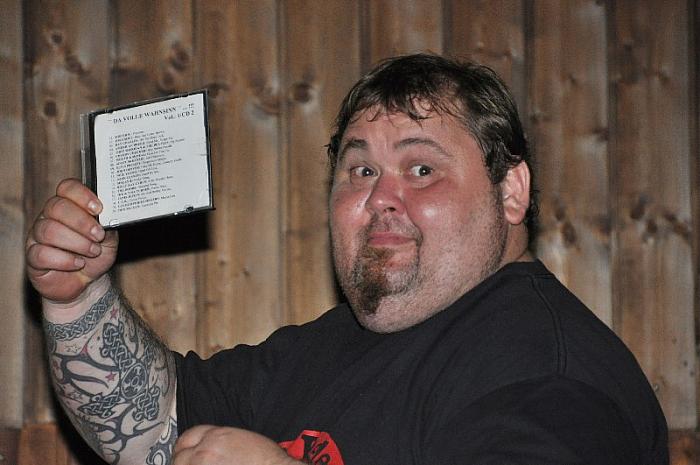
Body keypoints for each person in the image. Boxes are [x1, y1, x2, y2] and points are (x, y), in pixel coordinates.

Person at [26, 54, 668, 465]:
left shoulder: (546, 372)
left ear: (511, 192)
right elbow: (151, 432)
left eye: (422, 169)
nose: (381, 196)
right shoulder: (324, 349)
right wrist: (78, 297)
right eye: (360, 170)